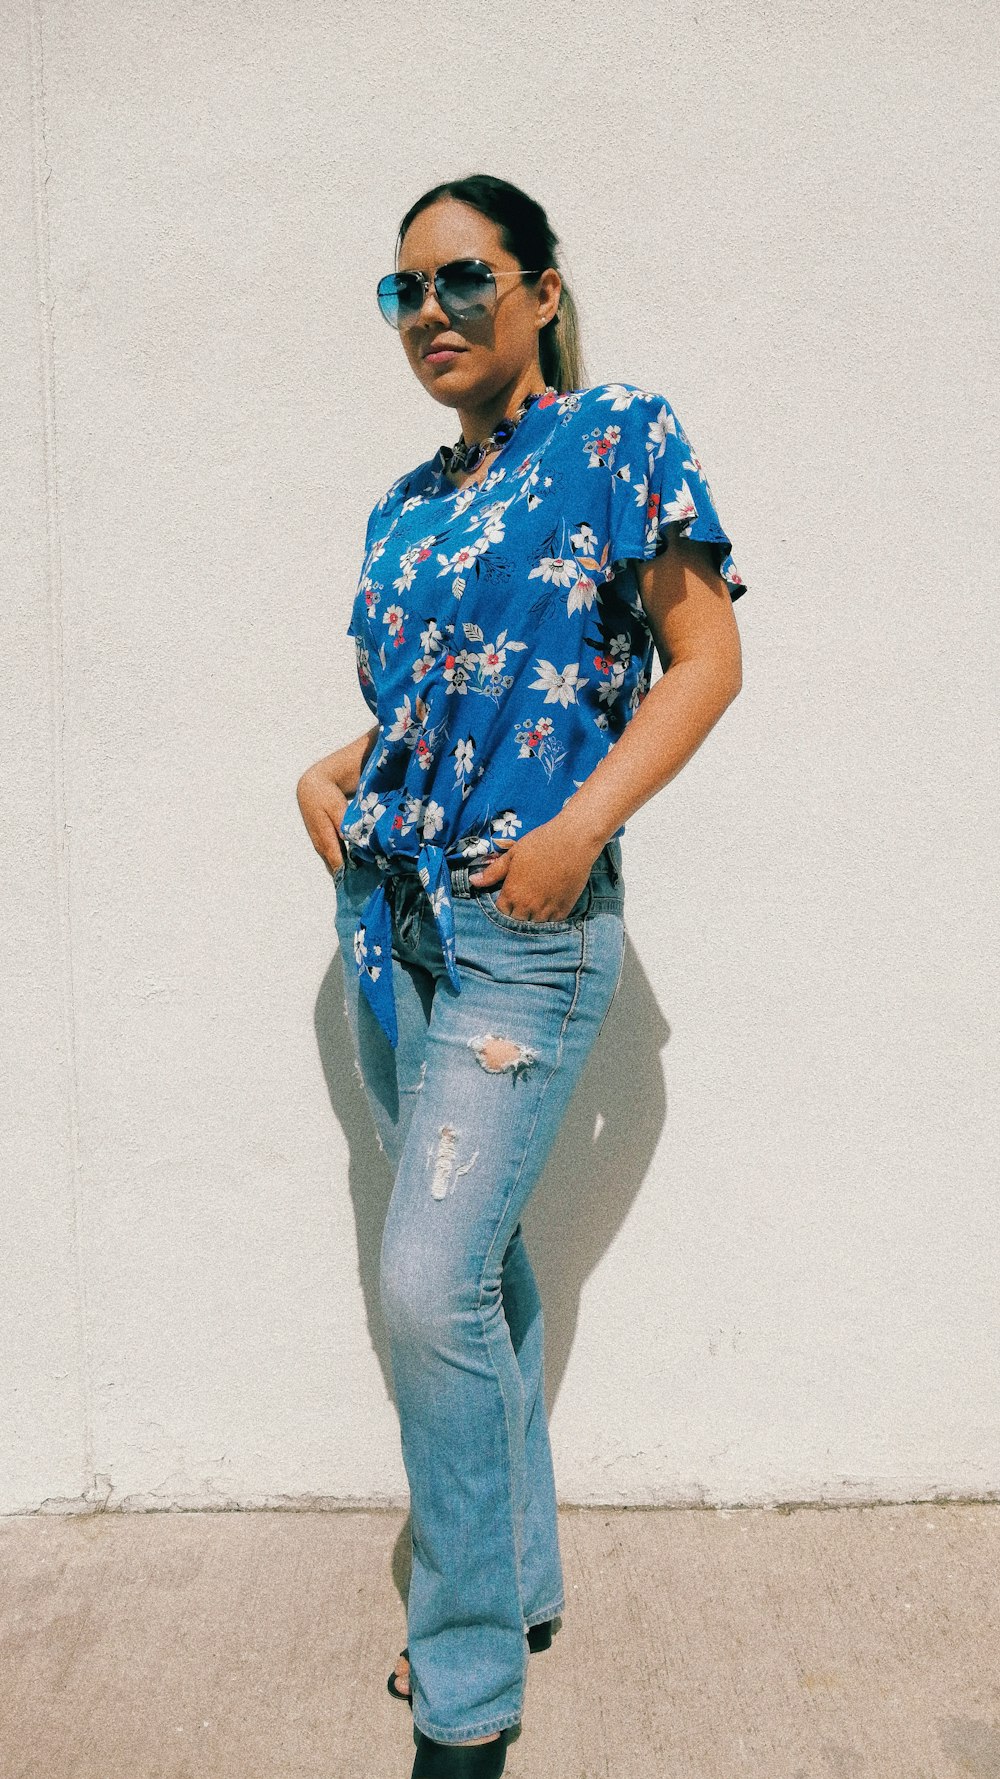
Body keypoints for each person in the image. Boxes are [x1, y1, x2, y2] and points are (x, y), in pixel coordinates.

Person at [296, 173, 747, 1779]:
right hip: (391, 930)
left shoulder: (615, 433)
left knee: (426, 1290)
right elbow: (448, 701)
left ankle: (470, 1693)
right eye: (403, 290)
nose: (432, 312)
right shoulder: (406, 506)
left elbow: (704, 662)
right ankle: (527, 1578)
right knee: (477, 1275)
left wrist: (574, 833)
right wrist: (329, 780)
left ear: (540, 290)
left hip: (520, 935)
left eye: (464, 278)